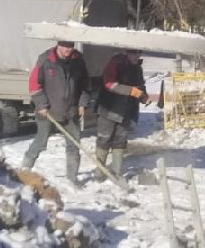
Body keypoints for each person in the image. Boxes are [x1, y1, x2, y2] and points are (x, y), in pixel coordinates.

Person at [22, 41, 91, 185]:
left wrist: (82, 104)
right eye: (65, 47)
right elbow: (34, 84)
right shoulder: (46, 59)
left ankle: (72, 178)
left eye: (71, 47)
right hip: (47, 111)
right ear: (58, 45)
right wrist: (41, 104)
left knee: (73, 144)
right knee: (40, 142)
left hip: (70, 112)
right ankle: (24, 171)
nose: (68, 50)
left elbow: (85, 84)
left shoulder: (78, 60)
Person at [95, 48, 145, 179]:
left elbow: (140, 86)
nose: (135, 56)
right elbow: (109, 84)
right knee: (104, 139)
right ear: (127, 53)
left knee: (120, 141)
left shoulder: (138, 68)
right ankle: (99, 172)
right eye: (132, 53)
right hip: (109, 108)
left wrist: (143, 95)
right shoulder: (115, 63)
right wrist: (132, 91)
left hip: (126, 111)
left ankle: (116, 173)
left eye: (137, 53)